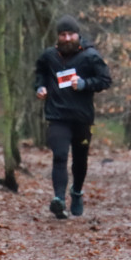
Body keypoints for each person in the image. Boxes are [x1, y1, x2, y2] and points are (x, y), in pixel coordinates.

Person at [34, 15, 112, 219]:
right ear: (58, 36)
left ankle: (76, 192)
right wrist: (40, 87)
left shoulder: (90, 56)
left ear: (78, 35)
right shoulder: (49, 56)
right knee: (59, 155)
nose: (67, 38)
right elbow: (40, 73)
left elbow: (105, 80)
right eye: (63, 34)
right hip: (57, 116)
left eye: (70, 34)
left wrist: (85, 84)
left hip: (82, 118)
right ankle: (58, 199)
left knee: (80, 159)